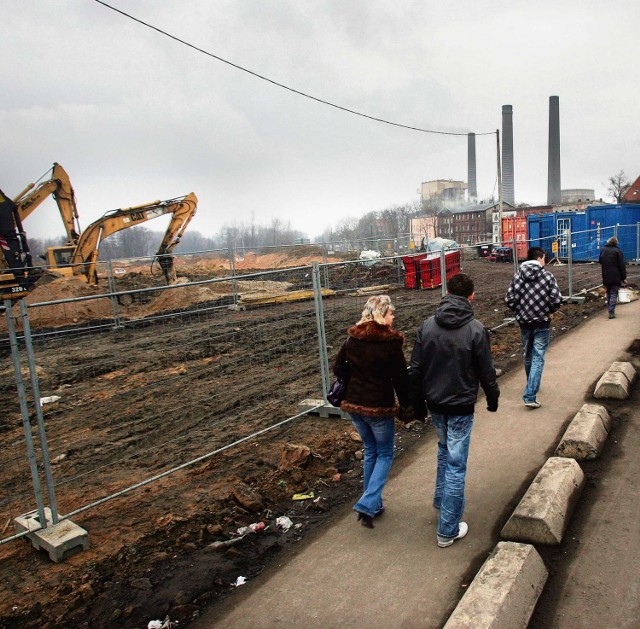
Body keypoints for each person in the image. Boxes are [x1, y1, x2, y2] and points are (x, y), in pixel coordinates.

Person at [409, 273, 499, 548]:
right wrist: (492, 398)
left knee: (443, 450)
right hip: (460, 405)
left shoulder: (427, 326)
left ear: (447, 292)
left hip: (435, 403)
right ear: (471, 296)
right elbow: (486, 370)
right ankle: (447, 529)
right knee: (456, 464)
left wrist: (417, 405)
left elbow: (415, 369)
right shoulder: (475, 329)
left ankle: (441, 500)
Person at [334, 294, 413, 529]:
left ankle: (374, 505)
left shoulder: (352, 339)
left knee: (370, 452)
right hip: (378, 407)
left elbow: (339, 367)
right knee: (386, 453)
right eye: (391, 313)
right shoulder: (390, 343)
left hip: (354, 405)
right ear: (380, 315)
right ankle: (368, 503)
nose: (394, 316)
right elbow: (401, 379)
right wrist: (408, 408)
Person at [505, 246, 562, 409]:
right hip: (542, 323)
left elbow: (509, 299)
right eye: (544, 258)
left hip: (524, 322)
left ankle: (531, 383)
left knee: (528, 354)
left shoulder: (517, 276)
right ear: (539, 258)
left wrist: (519, 312)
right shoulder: (547, 276)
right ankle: (530, 395)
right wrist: (549, 310)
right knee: (538, 357)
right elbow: (557, 299)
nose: (544, 262)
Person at [599, 236, 626, 319]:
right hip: (616, 276)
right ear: (615, 243)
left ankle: (609, 309)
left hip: (606, 275)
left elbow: (600, 261)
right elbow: (622, 265)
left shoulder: (603, 250)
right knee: (614, 293)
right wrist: (623, 277)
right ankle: (611, 312)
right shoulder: (617, 251)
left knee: (608, 293)